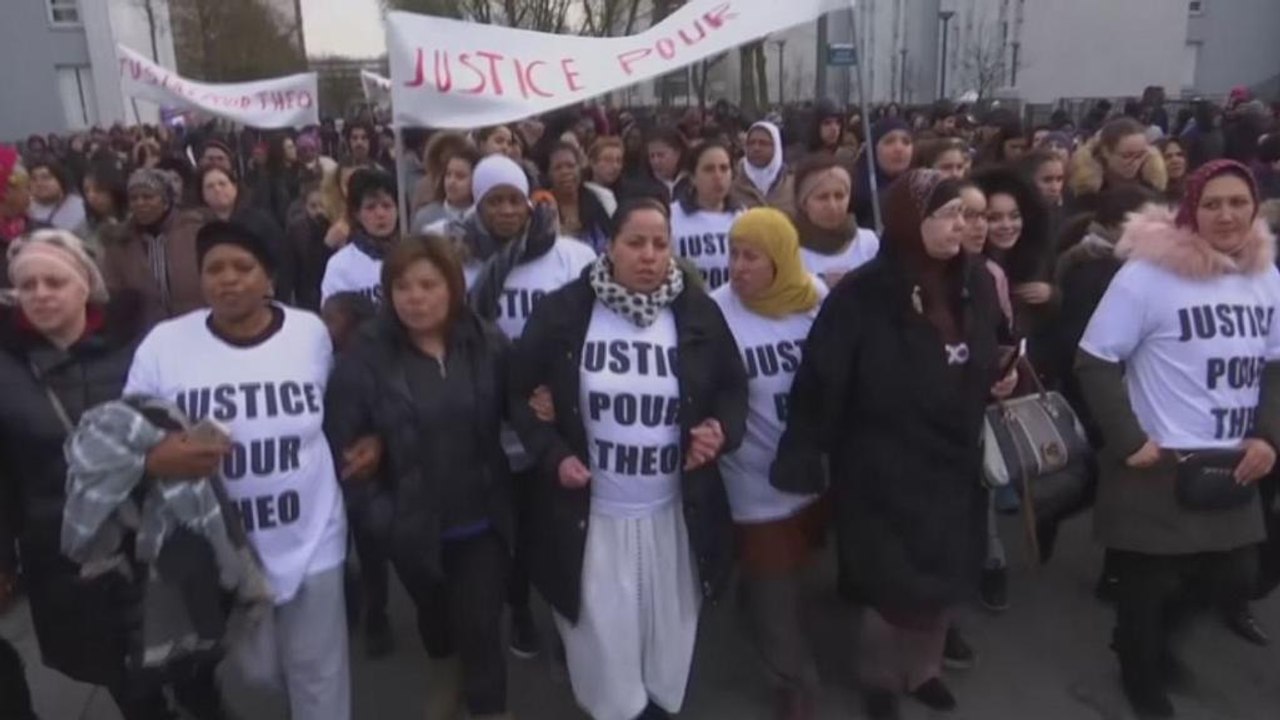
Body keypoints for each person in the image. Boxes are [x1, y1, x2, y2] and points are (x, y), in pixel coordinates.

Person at [773, 169, 1016, 719]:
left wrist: (998, 372)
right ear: (911, 221)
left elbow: (988, 344)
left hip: (953, 457)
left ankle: (924, 670)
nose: (962, 227)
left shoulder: (974, 281)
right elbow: (823, 376)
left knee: (942, 574)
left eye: (965, 215)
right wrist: (808, 448)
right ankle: (879, 679)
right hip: (882, 462)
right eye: (948, 216)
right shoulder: (864, 294)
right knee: (889, 581)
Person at [509, 198, 748, 720]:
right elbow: (517, 394)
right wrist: (552, 454)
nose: (648, 256)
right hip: (591, 518)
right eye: (635, 243)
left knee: (668, 643)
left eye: (660, 244)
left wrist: (721, 430)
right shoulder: (563, 311)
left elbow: (733, 387)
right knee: (604, 649)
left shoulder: (696, 310)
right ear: (609, 246)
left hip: (673, 515)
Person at [124, 220, 351, 720]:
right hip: (218, 547)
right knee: (257, 674)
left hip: (311, 533)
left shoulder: (308, 333)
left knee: (319, 674)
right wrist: (156, 458)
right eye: (214, 269)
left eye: (243, 268)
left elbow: (338, 409)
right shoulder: (164, 344)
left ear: (269, 277)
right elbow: (125, 434)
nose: (228, 279)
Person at [1076, 160, 1279, 718]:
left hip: (1232, 459)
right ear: (1191, 209)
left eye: (1238, 202)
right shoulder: (1147, 276)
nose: (1226, 214)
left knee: (1235, 574)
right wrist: (1129, 439)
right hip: (1158, 460)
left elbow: (1274, 366)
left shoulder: (1265, 276)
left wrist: (1268, 437)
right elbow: (1094, 361)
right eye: (1212, 203)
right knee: (1148, 586)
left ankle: (1150, 644)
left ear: (1255, 207)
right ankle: (1141, 672)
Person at [0, 229, 227, 718]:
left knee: (192, 656)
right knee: (123, 677)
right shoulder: (7, 368)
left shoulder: (140, 346)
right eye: (28, 284)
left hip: (157, 531)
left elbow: (182, 420)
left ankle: (204, 702)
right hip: (68, 549)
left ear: (86, 285)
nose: (39, 294)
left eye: (54, 281)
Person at [325, 235, 515, 720]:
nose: (416, 297)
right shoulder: (365, 359)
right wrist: (381, 517)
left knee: (480, 624)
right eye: (402, 286)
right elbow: (345, 452)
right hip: (410, 523)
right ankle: (446, 675)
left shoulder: (486, 343)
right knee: (436, 617)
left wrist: (543, 404)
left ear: (452, 287)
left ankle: (490, 708)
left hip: (481, 517)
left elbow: (518, 407)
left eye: (428, 284)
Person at [447, 154, 597, 658]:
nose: (507, 211)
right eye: (495, 201)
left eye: (515, 199)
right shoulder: (458, 258)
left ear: (531, 200)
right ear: (478, 205)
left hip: (552, 412)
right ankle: (519, 612)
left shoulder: (571, 258)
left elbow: (589, 328)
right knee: (503, 525)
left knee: (552, 522)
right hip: (487, 413)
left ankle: (563, 615)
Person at [711, 208, 826, 720]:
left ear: (781, 258)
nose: (738, 267)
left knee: (795, 575)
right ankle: (791, 679)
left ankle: (757, 613)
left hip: (812, 469)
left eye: (751, 256)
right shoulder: (715, 312)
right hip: (751, 478)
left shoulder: (813, 300)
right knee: (775, 586)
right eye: (732, 254)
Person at [99, 168, 210, 330]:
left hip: (198, 325)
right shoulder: (119, 242)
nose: (140, 203)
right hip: (144, 332)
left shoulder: (195, 231)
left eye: (148, 197)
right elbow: (113, 291)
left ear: (165, 201)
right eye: (134, 198)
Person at [196, 165, 290, 301]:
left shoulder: (260, 221)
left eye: (222, 183)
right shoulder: (197, 226)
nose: (217, 189)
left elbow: (282, 261)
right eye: (210, 186)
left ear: (234, 187)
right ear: (202, 194)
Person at [791, 156, 880, 289]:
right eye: (822, 197)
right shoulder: (790, 248)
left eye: (839, 196)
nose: (833, 206)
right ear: (804, 203)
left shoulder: (868, 242)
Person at [671, 142, 745, 290]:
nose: (718, 176)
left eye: (724, 168)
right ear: (692, 177)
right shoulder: (671, 216)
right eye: (709, 169)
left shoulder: (744, 217)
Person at [321, 169, 398, 305]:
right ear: (357, 214)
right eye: (370, 207)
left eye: (387, 206)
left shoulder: (413, 256)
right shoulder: (340, 265)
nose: (380, 214)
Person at [1069, 117, 1168, 214]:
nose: (1135, 162)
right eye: (1127, 156)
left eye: (1141, 155)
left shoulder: (1152, 189)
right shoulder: (1085, 192)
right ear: (1106, 152)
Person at [544, 142, 615, 252]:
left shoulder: (600, 198)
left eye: (571, 166)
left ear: (579, 169)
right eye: (558, 168)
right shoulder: (542, 206)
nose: (565, 172)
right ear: (549, 173)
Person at [853, 118, 915, 230]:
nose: (899, 148)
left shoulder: (918, 190)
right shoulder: (854, 192)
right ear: (873, 148)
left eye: (906, 142)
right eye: (889, 141)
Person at [412, 146, 479, 234]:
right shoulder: (425, 217)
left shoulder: (484, 218)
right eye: (448, 174)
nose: (452, 181)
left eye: (460, 176)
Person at [735, 121, 795, 216]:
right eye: (751, 143)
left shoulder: (792, 186)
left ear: (776, 147)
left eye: (763, 143)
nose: (756, 148)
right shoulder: (733, 186)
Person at [76, 161, 128, 257]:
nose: (91, 196)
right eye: (86, 191)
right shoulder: (84, 228)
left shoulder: (134, 221)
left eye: (98, 189)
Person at [26, 159, 86, 232]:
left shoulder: (82, 207)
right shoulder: (24, 207)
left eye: (46, 177)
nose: (39, 183)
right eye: (34, 179)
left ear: (61, 181)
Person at [586, 137, 625, 211]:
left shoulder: (628, 195)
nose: (615, 166)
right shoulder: (581, 194)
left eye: (618, 161)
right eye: (608, 160)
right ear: (592, 162)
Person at [1157, 137, 1190, 203]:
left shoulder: (1195, 186)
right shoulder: (1152, 195)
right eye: (1168, 157)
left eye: (1179, 155)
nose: (1175, 160)